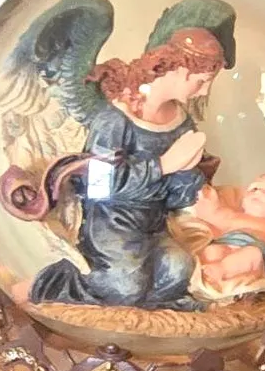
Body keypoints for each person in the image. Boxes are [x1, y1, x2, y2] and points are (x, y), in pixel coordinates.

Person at [29, 23, 235, 310]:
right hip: (110, 225)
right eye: (201, 81)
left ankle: (149, 310)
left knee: (179, 269)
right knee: (125, 287)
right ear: (179, 70)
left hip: (154, 224)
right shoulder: (116, 119)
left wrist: (190, 178)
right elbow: (98, 187)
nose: (204, 92)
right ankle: (60, 283)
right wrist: (162, 166)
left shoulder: (181, 122)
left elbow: (175, 197)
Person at [193, 173, 265, 289]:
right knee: (212, 250)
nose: (258, 192)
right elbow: (216, 222)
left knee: (252, 254)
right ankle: (204, 278)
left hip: (253, 251)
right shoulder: (235, 214)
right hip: (226, 242)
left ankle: (221, 271)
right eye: (254, 189)